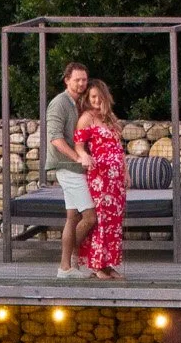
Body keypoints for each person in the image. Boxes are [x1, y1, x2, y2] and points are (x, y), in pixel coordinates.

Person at [45, 59, 95, 280]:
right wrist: (78, 157)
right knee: (90, 217)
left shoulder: (79, 103)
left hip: (75, 168)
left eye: (84, 79)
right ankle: (70, 258)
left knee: (72, 218)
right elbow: (55, 138)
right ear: (67, 80)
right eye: (77, 80)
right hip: (68, 168)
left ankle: (65, 268)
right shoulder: (59, 103)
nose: (81, 83)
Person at [76, 79, 126, 278]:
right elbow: (79, 144)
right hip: (100, 177)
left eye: (99, 96)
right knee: (102, 220)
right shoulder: (87, 118)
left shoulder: (110, 118)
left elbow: (119, 148)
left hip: (117, 179)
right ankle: (96, 265)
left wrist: (126, 172)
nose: (96, 100)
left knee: (115, 221)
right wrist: (84, 155)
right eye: (92, 97)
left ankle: (109, 264)